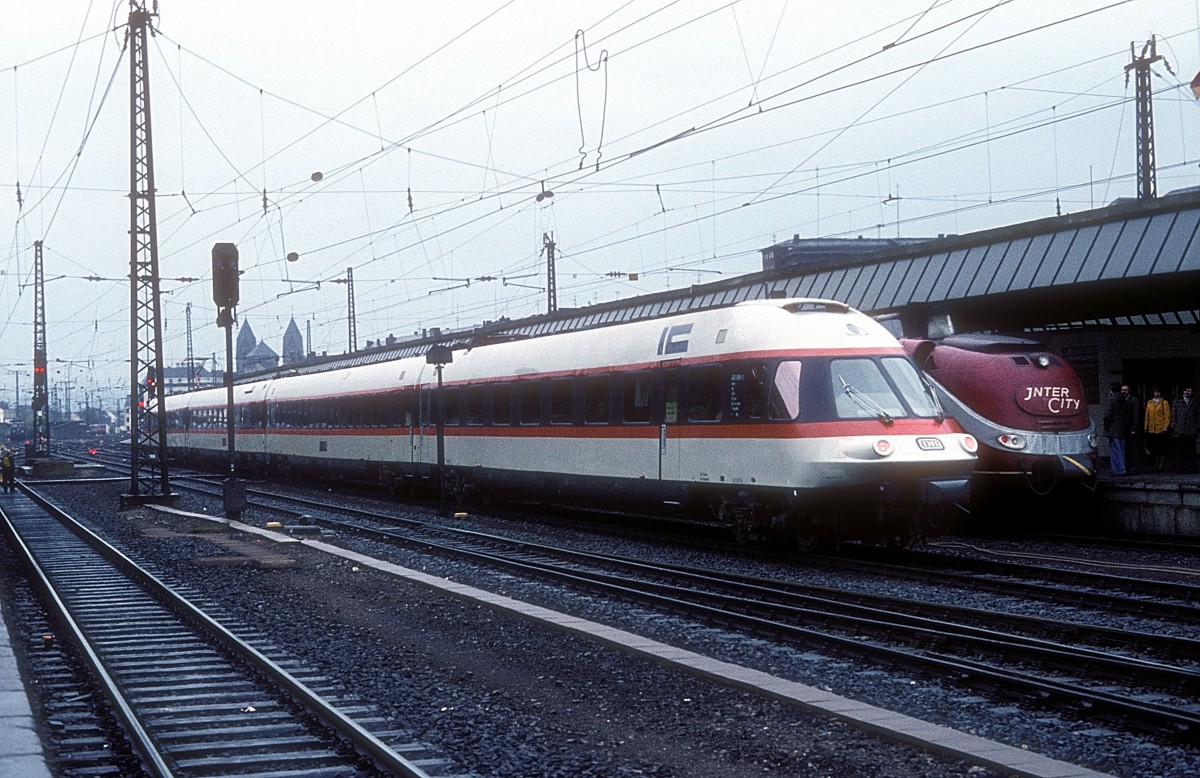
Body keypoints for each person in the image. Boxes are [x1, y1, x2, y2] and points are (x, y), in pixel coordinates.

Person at [1103, 383, 1136, 476]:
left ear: (1112, 390)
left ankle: (1117, 470)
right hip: (1123, 428)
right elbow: (1128, 415)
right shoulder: (1125, 400)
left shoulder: (1111, 399)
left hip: (1113, 428)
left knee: (1114, 450)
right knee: (1121, 449)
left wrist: (1106, 427)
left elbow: (1107, 415)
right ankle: (1122, 468)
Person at [1143, 387, 1171, 472]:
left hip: (1161, 429)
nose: (1157, 394)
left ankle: (1161, 464)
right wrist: (1145, 427)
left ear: (1160, 393)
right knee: (1154, 448)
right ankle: (1156, 464)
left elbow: (1167, 416)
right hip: (1152, 429)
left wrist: (1165, 426)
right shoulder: (1149, 403)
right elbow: (1147, 416)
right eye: (1155, 392)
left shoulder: (1164, 402)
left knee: (1161, 448)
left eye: (1158, 392)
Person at [1172, 387, 1198, 474]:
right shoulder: (1177, 401)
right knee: (1179, 451)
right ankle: (1179, 469)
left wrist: (1196, 427)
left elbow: (1198, 415)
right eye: (1186, 390)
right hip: (1180, 430)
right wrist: (1174, 426)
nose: (1187, 392)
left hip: (1191, 430)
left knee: (1191, 451)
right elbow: (1173, 415)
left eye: (1189, 390)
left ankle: (1191, 469)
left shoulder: (1195, 402)